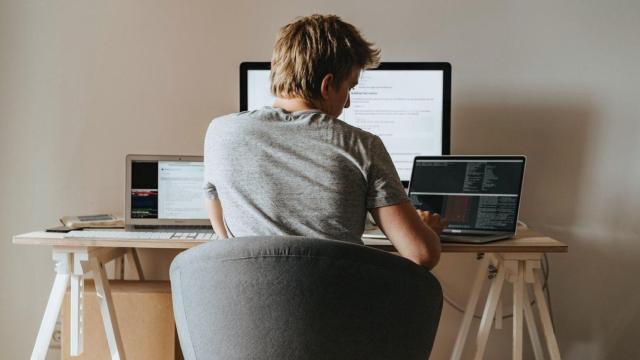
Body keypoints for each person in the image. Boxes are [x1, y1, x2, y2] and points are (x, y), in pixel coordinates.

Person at [203, 14, 446, 269]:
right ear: (327, 85)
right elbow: (421, 254)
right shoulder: (362, 145)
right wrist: (426, 230)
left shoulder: (220, 132)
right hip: (337, 305)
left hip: (246, 303)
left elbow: (224, 237)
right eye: (350, 88)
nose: (348, 102)